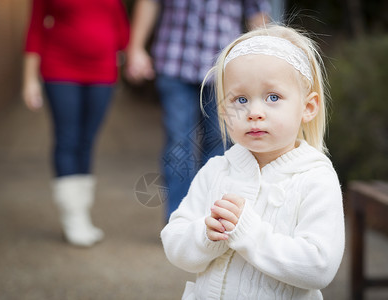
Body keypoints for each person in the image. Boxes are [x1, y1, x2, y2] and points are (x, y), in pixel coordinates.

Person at [160, 24, 345, 299]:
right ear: (224, 112)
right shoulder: (216, 170)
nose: (254, 112)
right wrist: (205, 235)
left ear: (308, 107)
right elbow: (174, 240)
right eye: (241, 99)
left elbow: (320, 267)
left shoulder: (315, 177)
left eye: (273, 97)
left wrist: (248, 233)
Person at [126, 0, 271, 221]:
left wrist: (262, 63)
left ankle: (210, 218)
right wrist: (135, 48)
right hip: (174, 63)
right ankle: (178, 220)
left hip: (224, 71)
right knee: (178, 143)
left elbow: (257, 14)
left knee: (220, 145)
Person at [22, 0, 130, 247]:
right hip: (60, 69)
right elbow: (35, 28)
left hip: (103, 72)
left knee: (87, 140)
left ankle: (82, 211)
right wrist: (29, 79)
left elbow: (121, 26)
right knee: (67, 138)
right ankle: (73, 216)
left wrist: (131, 55)